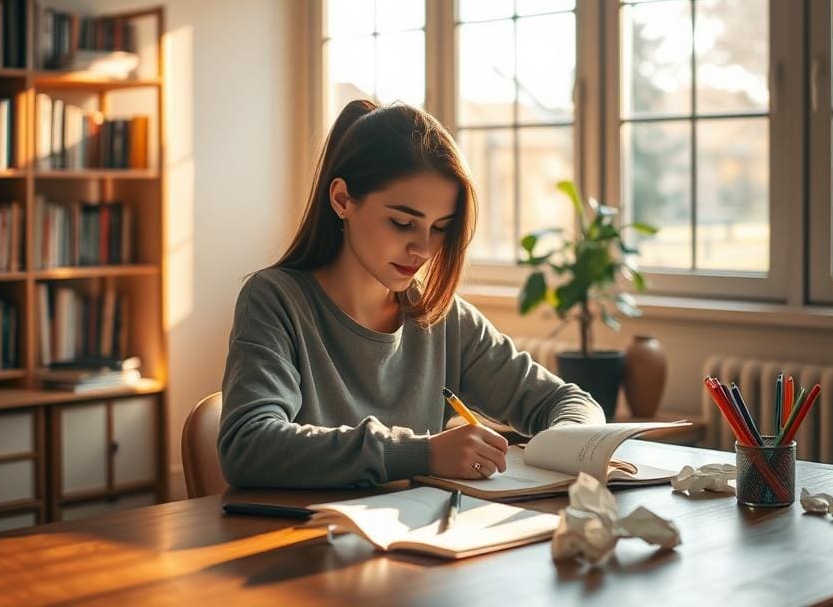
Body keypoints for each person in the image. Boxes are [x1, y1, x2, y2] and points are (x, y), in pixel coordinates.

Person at [218, 99, 604, 488]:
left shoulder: (443, 317)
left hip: (418, 543)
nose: (424, 249)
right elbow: (248, 445)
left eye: (441, 228)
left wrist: (565, 445)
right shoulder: (274, 300)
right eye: (403, 222)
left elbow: (575, 405)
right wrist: (424, 453)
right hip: (309, 540)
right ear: (342, 200)